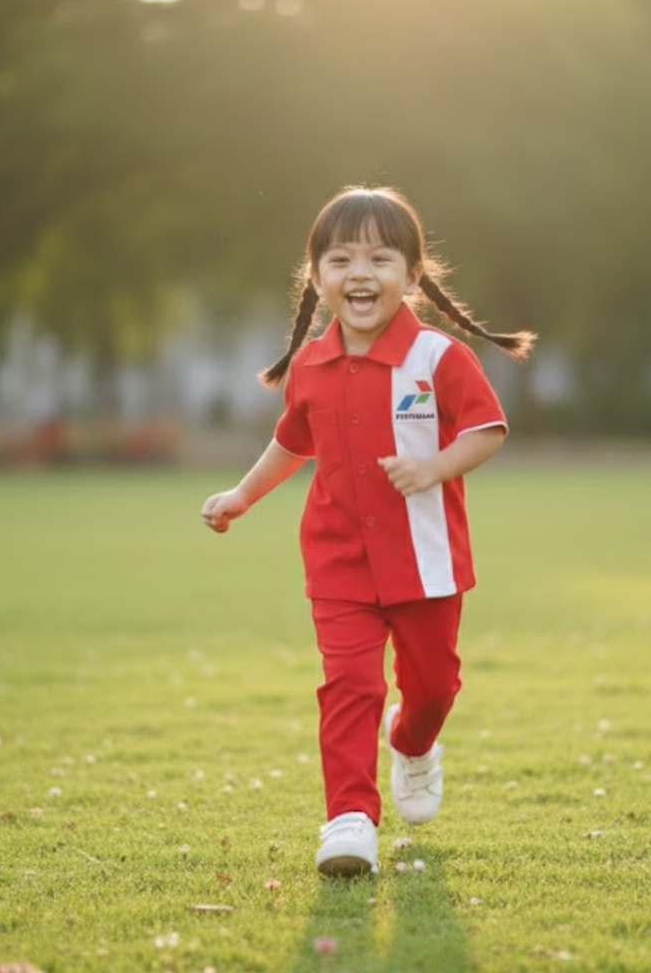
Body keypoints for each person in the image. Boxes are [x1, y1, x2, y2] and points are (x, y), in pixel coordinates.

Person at [201, 186, 535, 877]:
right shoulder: (310, 368)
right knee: (350, 686)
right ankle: (349, 818)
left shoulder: (438, 358)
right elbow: (291, 445)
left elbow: (488, 429)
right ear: (316, 278)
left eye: (380, 258)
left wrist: (433, 466)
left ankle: (412, 745)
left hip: (427, 563)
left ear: (412, 276)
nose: (360, 273)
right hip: (339, 565)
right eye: (341, 259)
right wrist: (241, 495)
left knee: (433, 688)